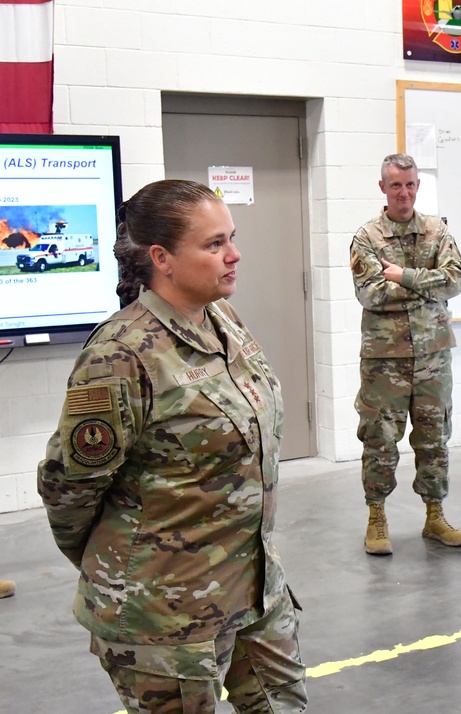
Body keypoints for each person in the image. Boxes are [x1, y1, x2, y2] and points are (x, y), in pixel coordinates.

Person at [37, 180, 307, 713]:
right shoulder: (121, 356)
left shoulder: (221, 319)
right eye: (214, 245)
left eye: (231, 237)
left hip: (253, 588)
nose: (234, 255)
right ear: (161, 258)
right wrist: (120, 571)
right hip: (164, 616)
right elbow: (69, 489)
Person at [350, 153, 461, 555]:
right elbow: (370, 292)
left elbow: (454, 282)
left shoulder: (438, 231)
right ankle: (376, 517)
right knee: (380, 439)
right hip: (385, 360)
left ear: (418, 186)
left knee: (435, 438)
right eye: (396, 185)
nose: (404, 192)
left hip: (433, 356)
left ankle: (435, 515)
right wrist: (425, 285)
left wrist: (404, 276)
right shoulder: (366, 237)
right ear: (382, 187)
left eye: (410, 184)